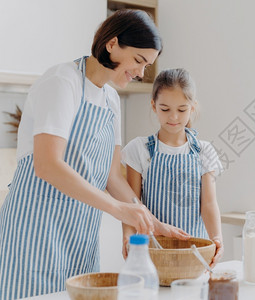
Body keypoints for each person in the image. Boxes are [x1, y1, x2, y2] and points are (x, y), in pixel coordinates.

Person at [0, 9, 189, 300]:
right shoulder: (62, 81)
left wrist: (152, 222)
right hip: (35, 231)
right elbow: (48, 165)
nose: (141, 72)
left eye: (147, 65)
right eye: (139, 60)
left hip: (79, 235)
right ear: (112, 44)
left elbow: (113, 177)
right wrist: (118, 210)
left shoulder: (110, 99)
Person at [122, 68, 224, 267]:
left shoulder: (204, 151)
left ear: (192, 107)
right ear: (154, 106)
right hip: (152, 254)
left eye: (182, 109)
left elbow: (209, 204)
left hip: (195, 254)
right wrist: (127, 236)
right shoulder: (139, 149)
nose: (174, 117)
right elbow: (132, 204)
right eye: (165, 109)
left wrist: (217, 238)